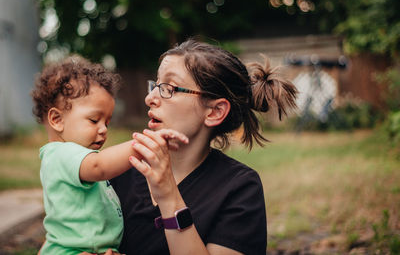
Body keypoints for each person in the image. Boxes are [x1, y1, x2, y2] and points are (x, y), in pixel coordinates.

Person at [109, 39, 298, 255]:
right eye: (156, 85)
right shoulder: (118, 169)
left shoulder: (240, 189)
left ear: (214, 112)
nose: (149, 98)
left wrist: (168, 195)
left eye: (169, 88)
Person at [31, 56, 188, 255]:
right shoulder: (60, 154)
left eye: (106, 122)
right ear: (56, 119)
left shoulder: (77, 156)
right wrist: (145, 143)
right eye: (94, 120)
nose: (104, 130)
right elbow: (100, 166)